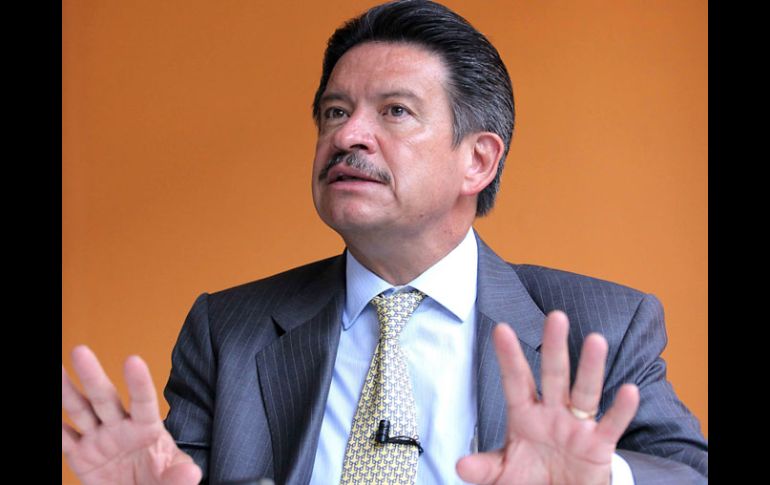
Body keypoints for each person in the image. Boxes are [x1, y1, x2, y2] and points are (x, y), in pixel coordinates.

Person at [61, 1, 708, 484]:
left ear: (478, 160)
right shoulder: (229, 330)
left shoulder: (601, 325)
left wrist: (605, 480)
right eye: (335, 112)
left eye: (395, 111)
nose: (347, 136)